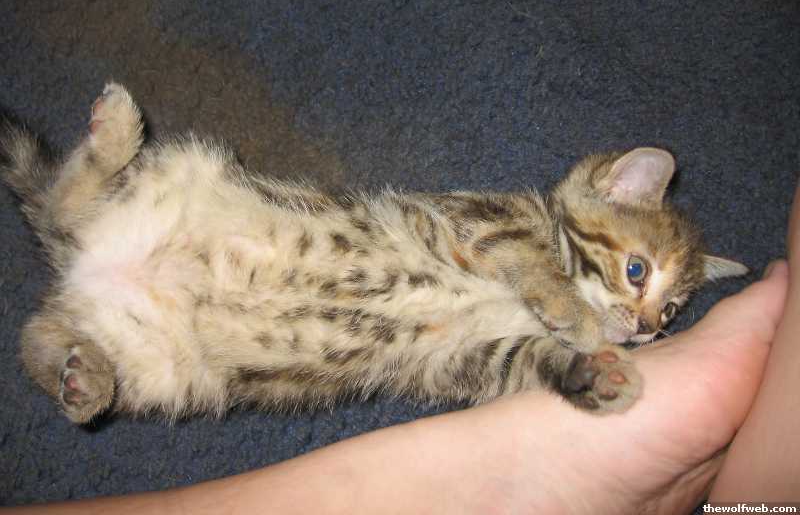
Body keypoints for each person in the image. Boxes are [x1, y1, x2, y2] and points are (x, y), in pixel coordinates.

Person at [6, 183, 800, 514]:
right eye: (638, 274)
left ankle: (58, 337)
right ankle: (520, 464)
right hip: (260, 240)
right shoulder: (527, 223)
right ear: (610, 188)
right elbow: (467, 235)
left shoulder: (562, 325)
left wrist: (566, 361)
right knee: (170, 193)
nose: (647, 319)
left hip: (277, 338)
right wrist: (558, 302)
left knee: (170, 368)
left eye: (666, 314)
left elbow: (476, 359)